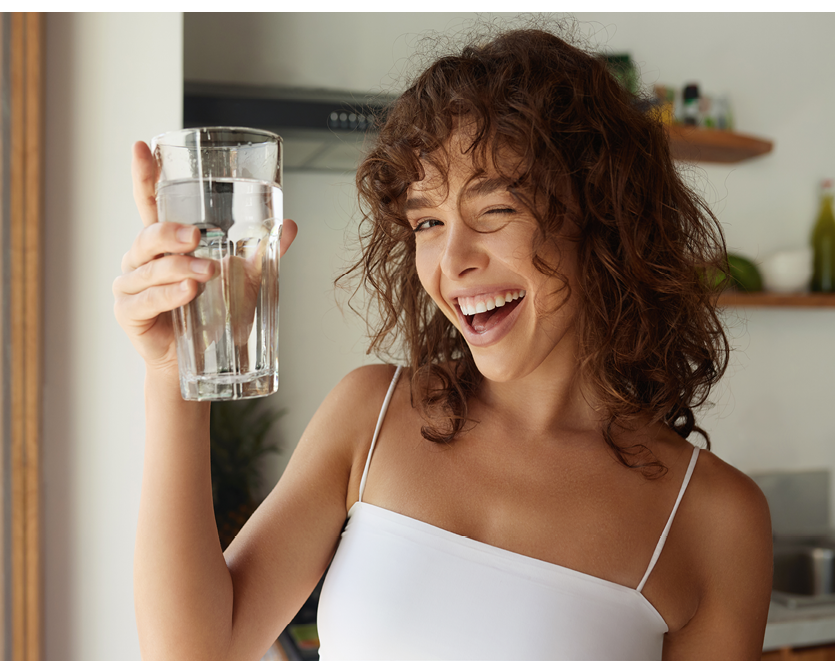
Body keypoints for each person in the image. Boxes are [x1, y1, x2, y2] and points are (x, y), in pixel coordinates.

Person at [113, 25, 772, 660]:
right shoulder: (370, 413)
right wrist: (174, 376)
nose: (450, 261)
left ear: (605, 223)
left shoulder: (715, 518)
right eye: (427, 220)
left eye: (495, 212)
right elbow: (191, 653)